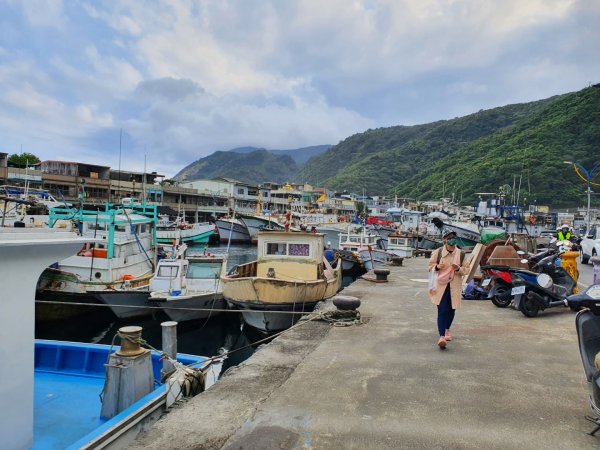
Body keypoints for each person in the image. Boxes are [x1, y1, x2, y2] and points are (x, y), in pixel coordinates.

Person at [428, 231, 469, 349]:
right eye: (450, 238)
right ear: (445, 240)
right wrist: (437, 267)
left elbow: (467, 270)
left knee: (451, 310)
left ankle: (447, 330)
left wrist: (458, 269)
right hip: (440, 286)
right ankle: (441, 337)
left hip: (454, 286)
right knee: (442, 310)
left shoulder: (461, 254)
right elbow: (430, 266)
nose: (452, 240)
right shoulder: (438, 252)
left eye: (454, 238)